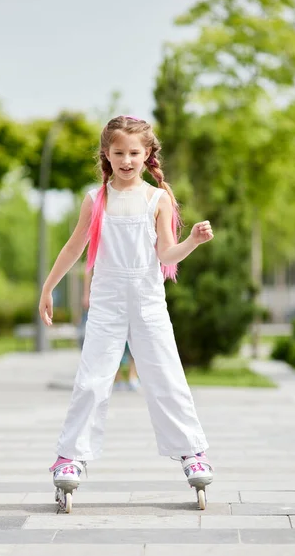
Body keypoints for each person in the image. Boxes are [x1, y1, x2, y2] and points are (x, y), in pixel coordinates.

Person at [39, 115, 214, 495]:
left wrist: (193, 242)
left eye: (135, 152)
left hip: (149, 303)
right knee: (91, 380)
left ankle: (192, 452)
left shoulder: (157, 198)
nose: (127, 160)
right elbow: (74, 247)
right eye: (118, 152)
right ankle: (70, 456)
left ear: (148, 153)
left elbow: (167, 252)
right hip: (106, 304)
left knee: (166, 377)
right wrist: (48, 287)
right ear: (106, 154)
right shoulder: (96, 199)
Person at [80, 267, 140, 391]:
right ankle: (116, 377)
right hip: (108, 298)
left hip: (129, 294)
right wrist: (87, 294)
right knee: (111, 341)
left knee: (133, 338)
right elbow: (88, 269)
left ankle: (132, 375)